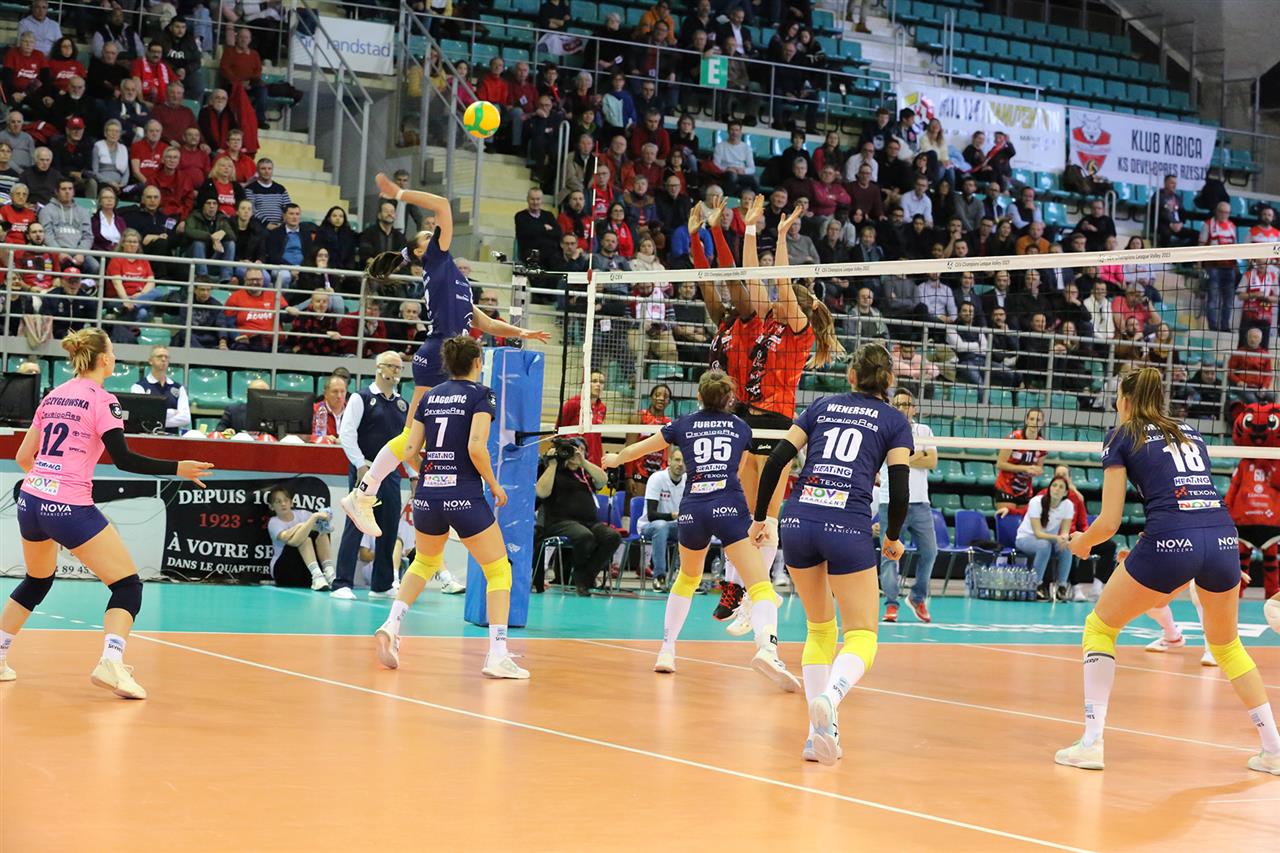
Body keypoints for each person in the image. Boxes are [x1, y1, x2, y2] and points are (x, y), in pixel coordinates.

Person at [1055, 367, 1280, 775]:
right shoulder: (1190, 432)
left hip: (1172, 540)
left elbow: (1109, 522)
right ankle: (1274, 750)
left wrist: (1081, 543)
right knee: (1227, 646)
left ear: (1124, 400)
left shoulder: (1121, 435)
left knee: (1100, 628)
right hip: (1222, 539)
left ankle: (1091, 744)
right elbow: (1192, 494)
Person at [1, 329, 213, 697]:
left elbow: (23, 457)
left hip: (31, 500)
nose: (114, 357)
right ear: (103, 359)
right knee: (127, 585)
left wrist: (48, 487)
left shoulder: (53, 395)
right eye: (112, 352)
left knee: (37, 580)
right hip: (68, 505)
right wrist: (178, 468)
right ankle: (111, 663)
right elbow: (124, 459)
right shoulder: (103, 400)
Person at [342, 173, 550, 537]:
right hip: (438, 352)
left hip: (448, 355)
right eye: (428, 235)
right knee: (412, 439)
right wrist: (399, 193)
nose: (435, 233)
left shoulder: (455, 279)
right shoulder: (436, 259)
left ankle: (423, 495)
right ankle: (364, 493)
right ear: (422, 251)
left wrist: (521, 333)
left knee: (427, 439)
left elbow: (484, 321)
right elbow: (441, 205)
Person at [748, 342, 911, 765]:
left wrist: (761, 517)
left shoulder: (821, 406)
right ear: (889, 380)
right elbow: (900, 489)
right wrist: (893, 536)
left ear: (851, 376)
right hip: (846, 525)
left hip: (799, 520)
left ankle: (816, 736)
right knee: (862, 635)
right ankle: (832, 698)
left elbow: (777, 460)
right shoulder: (895, 421)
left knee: (820, 629)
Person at [604, 370, 800, 688]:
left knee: (687, 578)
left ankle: (667, 651)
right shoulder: (741, 427)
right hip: (728, 507)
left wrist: (615, 458)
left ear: (698, 397)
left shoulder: (683, 424)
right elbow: (743, 469)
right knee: (760, 585)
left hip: (694, 509)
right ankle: (767, 648)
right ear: (730, 399)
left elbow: (641, 449)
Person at [371, 336, 527, 677]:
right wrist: (494, 483)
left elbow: (409, 450)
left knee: (425, 562)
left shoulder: (430, 396)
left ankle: (392, 625)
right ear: (477, 363)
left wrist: (430, 468)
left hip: (428, 496)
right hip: (464, 495)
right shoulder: (482, 395)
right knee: (498, 570)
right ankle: (498, 654)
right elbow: (476, 447)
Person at [735, 196, 843, 630]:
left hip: (778, 424)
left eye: (782, 297)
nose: (774, 298)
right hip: (749, 420)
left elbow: (780, 280)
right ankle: (752, 591)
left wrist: (780, 236)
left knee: (767, 518)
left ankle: (758, 599)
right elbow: (750, 276)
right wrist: (749, 229)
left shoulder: (798, 330)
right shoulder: (768, 322)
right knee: (748, 517)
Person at [332, 351, 408, 600]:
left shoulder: (402, 404)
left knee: (389, 525)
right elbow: (347, 433)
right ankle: (342, 583)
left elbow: (407, 443)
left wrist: (413, 474)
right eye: (392, 366)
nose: (396, 371)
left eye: (399, 367)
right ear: (379, 368)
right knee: (356, 523)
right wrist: (359, 465)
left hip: (391, 473)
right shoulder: (361, 398)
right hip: (365, 468)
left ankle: (382, 584)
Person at [877, 389, 937, 623]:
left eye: (906, 404)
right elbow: (885, 460)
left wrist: (902, 458)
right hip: (890, 501)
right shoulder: (885, 428)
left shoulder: (924, 430)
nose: (902, 408)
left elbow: (932, 461)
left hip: (921, 503)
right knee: (890, 555)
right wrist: (918, 455)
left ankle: (917, 597)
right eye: (898, 404)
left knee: (930, 552)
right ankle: (891, 604)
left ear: (914, 408)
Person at [536, 435, 619, 596]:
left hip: (589, 522)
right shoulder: (553, 470)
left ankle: (584, 575)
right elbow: (541, 492)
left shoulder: (585, 473)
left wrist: (583, 462)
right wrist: (552, 464)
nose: (575, 453)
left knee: (612, 536)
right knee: (584, 536)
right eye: (572, 450)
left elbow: (603, 480)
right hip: (559, 522)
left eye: (580, 450)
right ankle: (581, 577)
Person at [1014, 475, 1075, 601]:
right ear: (1049, 488)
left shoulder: (1068, 505)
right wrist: (1057, 538)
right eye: (1054, 486)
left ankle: (1062, 587)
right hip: (1025, 539)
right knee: (1044, 545)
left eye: (1061, 487)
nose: (1057, 489)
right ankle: (1036, 585)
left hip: (1049, 540)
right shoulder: (1036, 502)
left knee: (1067, 546)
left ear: (1065, 493)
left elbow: (1065, 531)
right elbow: (1038, 533)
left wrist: (1064, 538)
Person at [265, 486, 335, 590]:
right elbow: (288, 539)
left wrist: (326, 520)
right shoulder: (274, 522)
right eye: (278, 502)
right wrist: (303, 524)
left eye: (286, 500)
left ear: (291, 503)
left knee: (321, 534)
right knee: (304, 539)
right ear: (271, 507)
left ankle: (329, 573)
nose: (283, 504)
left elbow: (327, 529)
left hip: (305, 568)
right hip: (283, 570)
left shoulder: (303, 514)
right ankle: (317, 576)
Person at [994, 408, 1047, 513]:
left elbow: (1039, 468)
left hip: (1025, 490)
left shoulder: (1042, 444)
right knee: (1008, 520)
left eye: (1038, 420)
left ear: (1042, 423)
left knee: (1023, 521)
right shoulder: (1014, 438)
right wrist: (1025, 468)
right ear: (1026, 421)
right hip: (1006, 486)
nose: (1034, 422)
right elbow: (1000, 464)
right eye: (1031, 419)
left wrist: (1037, 471)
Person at [130, 345, 191, 434]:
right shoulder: (139, 387)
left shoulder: (178, 388)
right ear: (150, 361)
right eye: (159, 356)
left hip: (172, 438)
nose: (163, 359)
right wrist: (172, 412)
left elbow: (186, 418)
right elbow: (142, 418)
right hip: (147, 437)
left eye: (166, 357)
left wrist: (155, 421)